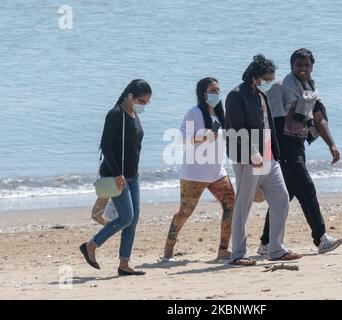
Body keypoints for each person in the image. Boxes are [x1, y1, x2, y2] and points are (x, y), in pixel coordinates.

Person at [258, 48, 342, 256]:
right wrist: (274, 153)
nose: (303, 68)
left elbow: (318, 118)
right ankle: (321, 238)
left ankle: (266, 243)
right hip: (284, 147)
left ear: (312, 67)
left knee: (285, 196)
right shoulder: (281, 87)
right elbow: (274, 121)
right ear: (291, 66)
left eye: (306, 65)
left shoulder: (310, 88)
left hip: (298, 145)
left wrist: (331, 144)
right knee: (307, 188)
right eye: (299, 64)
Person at [225, 54, 302, 266]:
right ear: (255, 77)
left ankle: (276, 249)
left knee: (281, 199)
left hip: (270, 158)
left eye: (272, 78)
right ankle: (238, 254)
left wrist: (275, 154)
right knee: (243, 206)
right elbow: (235, 129)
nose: (271, 83)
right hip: (248, 159)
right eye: (268, 79)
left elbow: (269, 126)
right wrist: (252, 153)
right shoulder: (236, 95)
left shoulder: (262, 94)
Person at [79, 79, 152, 276]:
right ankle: (91, 245)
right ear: (130, 96)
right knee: (126, 217)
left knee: (133, 218)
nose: (144, 105)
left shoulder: (134, 113)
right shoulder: (115, 115)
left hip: (132, 175)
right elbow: (106, 146)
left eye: (147, 102)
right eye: (142, 101)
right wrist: (118, 174)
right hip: (115, 174)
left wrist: (130, 173)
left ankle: (124, 263)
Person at [162, 77, 235, 261]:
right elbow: (181, 138)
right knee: (185, 212)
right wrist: (202, 136)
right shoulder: (194, 113)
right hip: (194, 174)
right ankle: (168, 249)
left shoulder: (221, 115)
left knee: (230, 206)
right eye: (212, 91)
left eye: (218, 90)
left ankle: (223, 250)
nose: (217, 94)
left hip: (217, 172)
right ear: (203, 94)